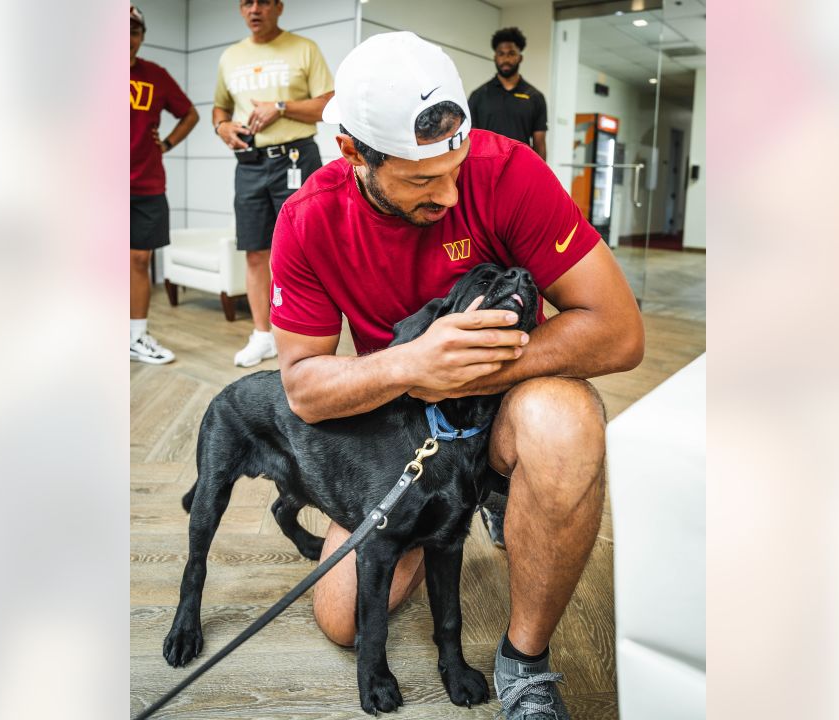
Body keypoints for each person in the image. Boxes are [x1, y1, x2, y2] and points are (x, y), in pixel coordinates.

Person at [269, 32, 644, 720]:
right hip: (408, 431)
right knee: (342, 618)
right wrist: (413, 365)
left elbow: (619, 330)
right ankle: (471, 498)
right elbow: (302, 388)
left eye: (455, 167)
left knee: (563, 422)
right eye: (419, 180)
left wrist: (472, 371)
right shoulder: (307, 218)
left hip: (503, 410)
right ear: (352, 152)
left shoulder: (509, 171)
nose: (447, 194)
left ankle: (525, 666)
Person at [213, 0, 334, 367]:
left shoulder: (303, 48)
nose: (255, 9)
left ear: (278, 7)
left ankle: (309, 335)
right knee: (255, 251)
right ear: (240, 9)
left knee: (305, 248)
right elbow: (219, 107)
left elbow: (328, 104)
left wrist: (281, 106)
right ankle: (262, 335)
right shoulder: (230, 56)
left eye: (263, 1)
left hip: (296, 158)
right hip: (250, 163)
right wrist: (222, 127)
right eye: (247, 2)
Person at [130, 5, 199, 364]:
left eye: (133, 30)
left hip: (146, 184)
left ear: (141, 36)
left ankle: (135, 336)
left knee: (139, 259)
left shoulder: (155, 75)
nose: (126, 38)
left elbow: (190, 113)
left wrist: (167, 143)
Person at [468, 27, 549, 161]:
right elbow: (470, 140)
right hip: (486, 169)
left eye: (511, 53)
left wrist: (539, 178)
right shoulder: (478, 95)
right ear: (495, 57)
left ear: (520, 57)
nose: (506, 59)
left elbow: (540, 144)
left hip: (520, 169)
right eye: (501, 53)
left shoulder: (535, 97)